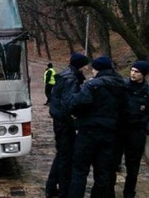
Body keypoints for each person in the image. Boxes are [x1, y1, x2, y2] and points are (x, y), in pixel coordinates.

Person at [67, 56, 128, 198]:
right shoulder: (123, 85)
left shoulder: (92, 85)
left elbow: (77, 104)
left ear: (97, 69)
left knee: (79, 170)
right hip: (111, 134)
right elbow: (127, 108)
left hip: (88, 132)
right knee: (103, 172)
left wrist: (78, 114)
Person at [110, 60, 149, 198]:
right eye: (132, 70)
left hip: (137, 132)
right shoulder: (123, 86)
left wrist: (146, 129)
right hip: (119, 131)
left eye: (137, 71)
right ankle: (109, 191)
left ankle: (129, 193)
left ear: (143, 74)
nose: (133, 74)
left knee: (133, 166)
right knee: (112, 163)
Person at [45, 52, 89, 198]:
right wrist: (75, 120)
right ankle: (63, 191)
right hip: (64, 122)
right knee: (65, 157)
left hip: (60, 120)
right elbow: (68, 103)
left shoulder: (66, 74)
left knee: (62, 155)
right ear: (81, 65)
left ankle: (51, 187)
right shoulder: (71, 78)